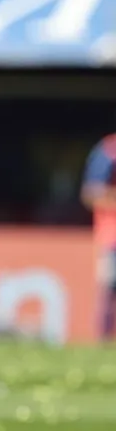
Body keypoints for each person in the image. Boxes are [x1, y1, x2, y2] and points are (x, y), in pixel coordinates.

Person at [81, 134, 116, 341]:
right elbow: (91, 193)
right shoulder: (108, 150)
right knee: (109, 290)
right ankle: (104, 340)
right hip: (112, 237)